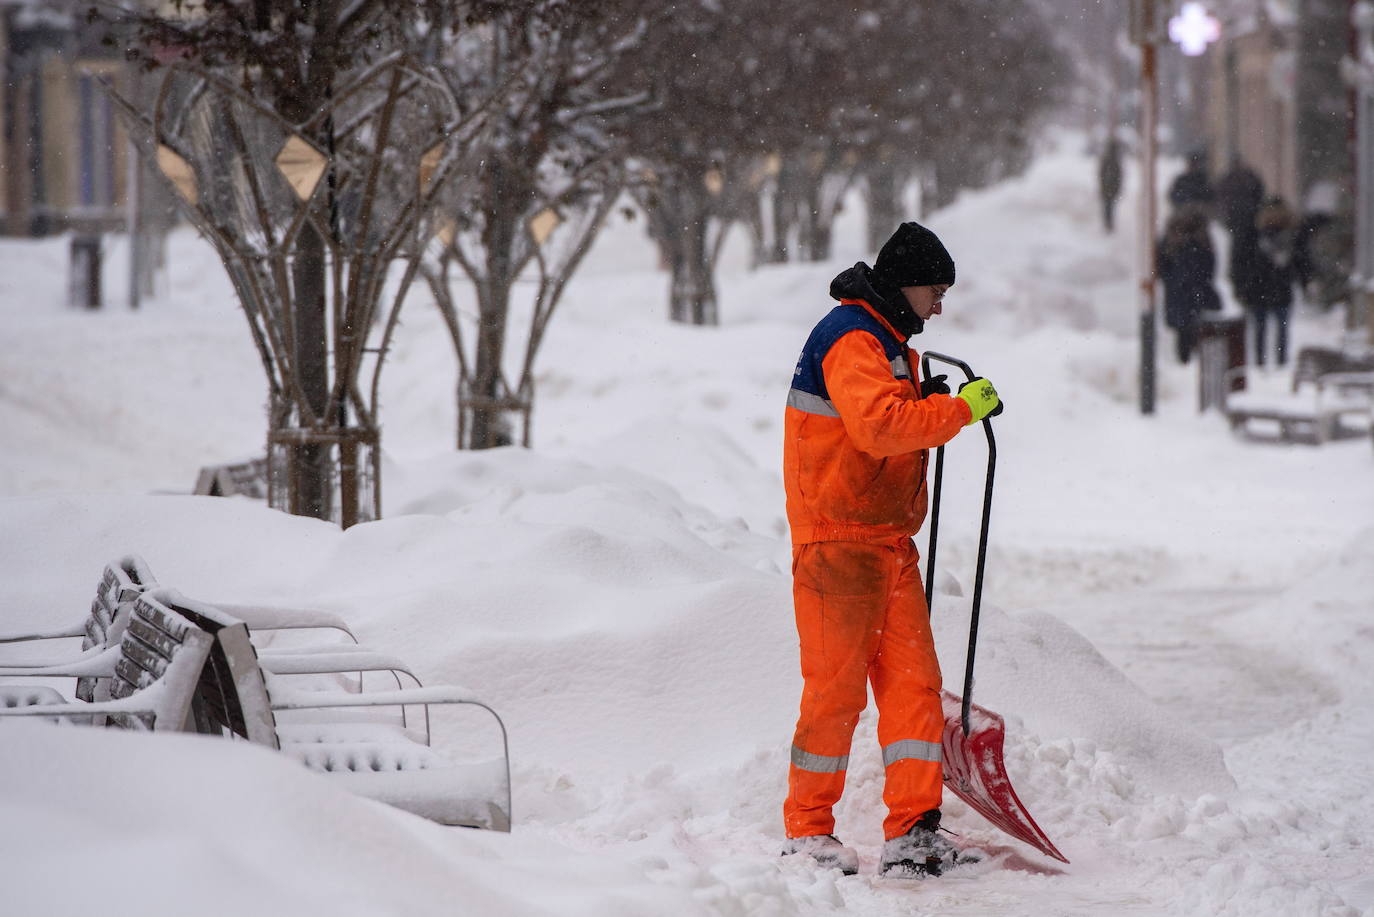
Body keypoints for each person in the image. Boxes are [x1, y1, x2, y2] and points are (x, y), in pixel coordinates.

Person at [780, 222, 1002, 879]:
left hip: (886, 542)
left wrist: (929, 399)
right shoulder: (852, 336)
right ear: (907, 284)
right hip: (837, 543)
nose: (940, 305)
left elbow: (887, 416)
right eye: (936, 290)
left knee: (914, 689)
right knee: (836, 692)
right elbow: (877, 427)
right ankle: (807, 832)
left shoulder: (889, 340)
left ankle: (913, 832)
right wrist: (956, 411)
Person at [1157, 205, 1221, 363]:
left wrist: (1171, 279)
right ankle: (1194, 361)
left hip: (1177, 292)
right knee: (1197, 327)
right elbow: (1211, 264)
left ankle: (1184, 361)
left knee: (1183, 330)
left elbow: (1160, 266)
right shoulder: (1201, 238)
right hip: (1197, 290)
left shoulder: (1170, 238)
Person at [1245, 197, 1298, 367]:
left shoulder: (1288, 236)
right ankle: (1264, 361)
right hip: (1265, 288)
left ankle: (1276, 360)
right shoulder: (1257, 235)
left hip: (1274, 288)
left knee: (1276, 328)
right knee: (1265, 327)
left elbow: (1300, 261)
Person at [1098, 136, 1124, 233]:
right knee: (1109, 207)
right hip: (1110, 188)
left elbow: (1102, 173)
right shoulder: (1113, 160)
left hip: (1109, 188)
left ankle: (1108, 223)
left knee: (1108, 207)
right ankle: (1108, 224)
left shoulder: (1110, 159)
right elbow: (1118, 175)